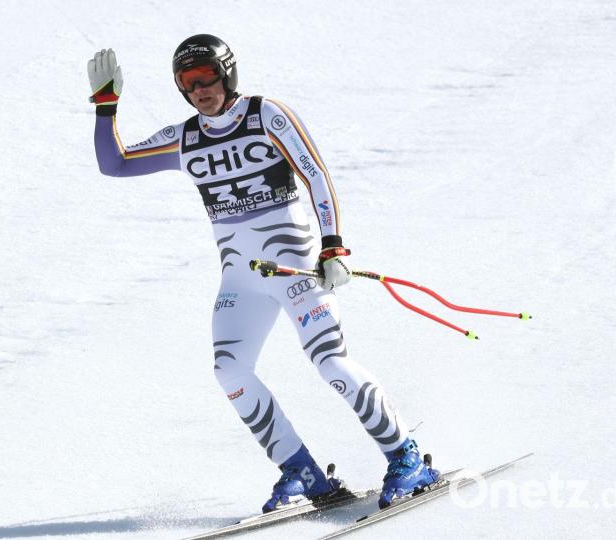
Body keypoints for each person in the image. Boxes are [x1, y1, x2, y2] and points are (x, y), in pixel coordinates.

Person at [87, 34, 440, 511]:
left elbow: (315, 174)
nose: (200, 88)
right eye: (188, 81)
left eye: (207, 75)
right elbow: (116, 163)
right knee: (229, 371)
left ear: (227, 73)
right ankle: (302, 471)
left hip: (296, 266)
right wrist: (106, 106)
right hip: (241, 279)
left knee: (330, 362)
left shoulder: (265, 115)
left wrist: (333, 246)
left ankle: (406, 456)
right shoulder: (185, 138)